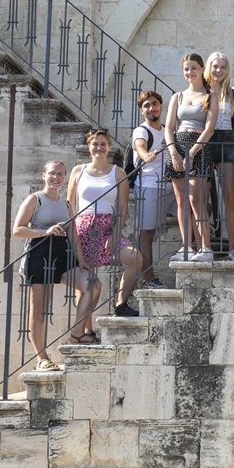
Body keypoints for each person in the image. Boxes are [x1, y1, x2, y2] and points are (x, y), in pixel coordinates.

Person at [67, 128, 142, 332]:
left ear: (109, 147)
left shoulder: (118, 172)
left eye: (103, 144)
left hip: (109, 229)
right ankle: (85, 330)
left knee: (135, 258)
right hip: (83, 228)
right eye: (95, 144)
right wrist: (72, 236)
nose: (99, 147)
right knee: (86, 282)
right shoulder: (78, 171)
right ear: (89, 146)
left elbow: (123, 208)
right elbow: (70, 205)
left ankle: (120, 304)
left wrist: (116, 234)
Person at [12, 160, 74, 369]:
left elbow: (72, 233)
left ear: (65, 178)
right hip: (38, 252)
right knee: (38, 308)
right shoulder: (35, 199)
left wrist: (81, 260)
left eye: (60, 174)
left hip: (61, 253)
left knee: (89, 285)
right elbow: (17, 230)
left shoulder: (66, 204)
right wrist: (44, 232)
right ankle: (41, 358)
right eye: (52, 173)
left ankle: (78, 336)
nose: (56, 178)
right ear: (43, 175)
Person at [164, 53, 219, 262]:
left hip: (199, 147)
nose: (190, 72)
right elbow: (169, 127)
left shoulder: (210, 95)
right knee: (180, 201)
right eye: (186, 69)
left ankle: (205, 247)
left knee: (197, 200)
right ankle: (185, 247)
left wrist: (192, 152)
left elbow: (210, 128)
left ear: (201, 69)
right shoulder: (177, 96)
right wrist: (173, 151)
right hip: (177, 146)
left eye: (194, 68)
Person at [130, 90, 172, 288]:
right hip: (148, 186)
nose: (151, 108)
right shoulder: (141, 131)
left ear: (161, 106)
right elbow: (139, 146)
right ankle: (148, 278)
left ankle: (188, 250)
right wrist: (145, 155)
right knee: (147, 233)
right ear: (141, 110)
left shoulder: (167, 129)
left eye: (154, 104)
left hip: (170, 185)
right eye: (147, 105)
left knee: (198, 209)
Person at [204, 52, 234, 261]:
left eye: (223, 67)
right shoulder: (202, 91)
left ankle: (233, 249)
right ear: (209, 68)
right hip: (206, 141)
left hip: (226, 142)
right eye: (215, 66)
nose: (218, 70)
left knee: (229, 197)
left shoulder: (232, 93)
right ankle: (204, 245)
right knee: (202, 198)